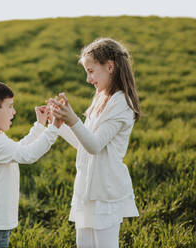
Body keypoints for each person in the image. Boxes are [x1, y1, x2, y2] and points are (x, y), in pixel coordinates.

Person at [48, 38, 141, 248]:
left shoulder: (121, 104)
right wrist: (59, 123)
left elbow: (95, 145)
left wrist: (73, 120)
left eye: (91, 71)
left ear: (110, 67)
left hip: (105, 191)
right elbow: (84, 143)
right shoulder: (100, 97)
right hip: (87, 189)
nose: (88, 79)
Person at [0, 79, 62, 248]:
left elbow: (19, 148)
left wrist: (40, 125)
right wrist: (53, 128)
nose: (14, 111)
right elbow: (29, 155)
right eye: (10, 106)